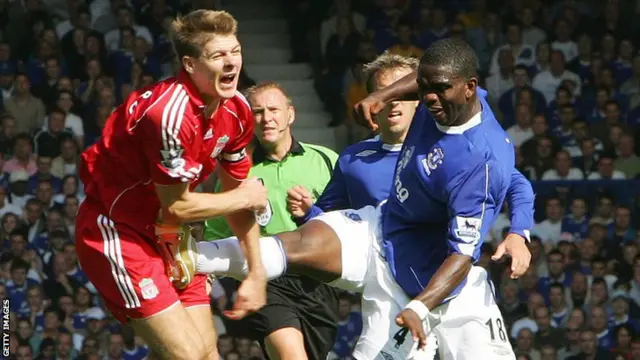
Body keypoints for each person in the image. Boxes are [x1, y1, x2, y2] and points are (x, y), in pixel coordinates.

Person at [189, 40, 532, 359]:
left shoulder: (482, 161)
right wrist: (379, 95)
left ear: (468, 87)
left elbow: (481, 227)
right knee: (303, 243)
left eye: (437, 89)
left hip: (441, 285)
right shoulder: (357, 157)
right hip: (380, 230)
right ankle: (188, 256)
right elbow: (428, 77)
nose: (427, 98)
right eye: (423, 88)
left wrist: (519, 230)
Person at [74, 10, 268, 360]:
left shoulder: (238, 109)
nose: (230, 63)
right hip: (120, 233)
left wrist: (256, 273)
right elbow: (179, 205)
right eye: (217, 55)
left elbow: (239, 197)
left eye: (235, 51)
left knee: (206, 356)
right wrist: (245, 196)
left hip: (173, 236)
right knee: (189, 357)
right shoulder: (169, 115)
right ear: (190, 64)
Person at [204, 81, 342, 360]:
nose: (266, 118)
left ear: (290, 114)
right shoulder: (237, 172)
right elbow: (216, 232)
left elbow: (347, 222)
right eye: (257, 111)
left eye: (273, 109)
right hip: (267, 278)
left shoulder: (327, 160)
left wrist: (313, 212)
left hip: (319, 281)